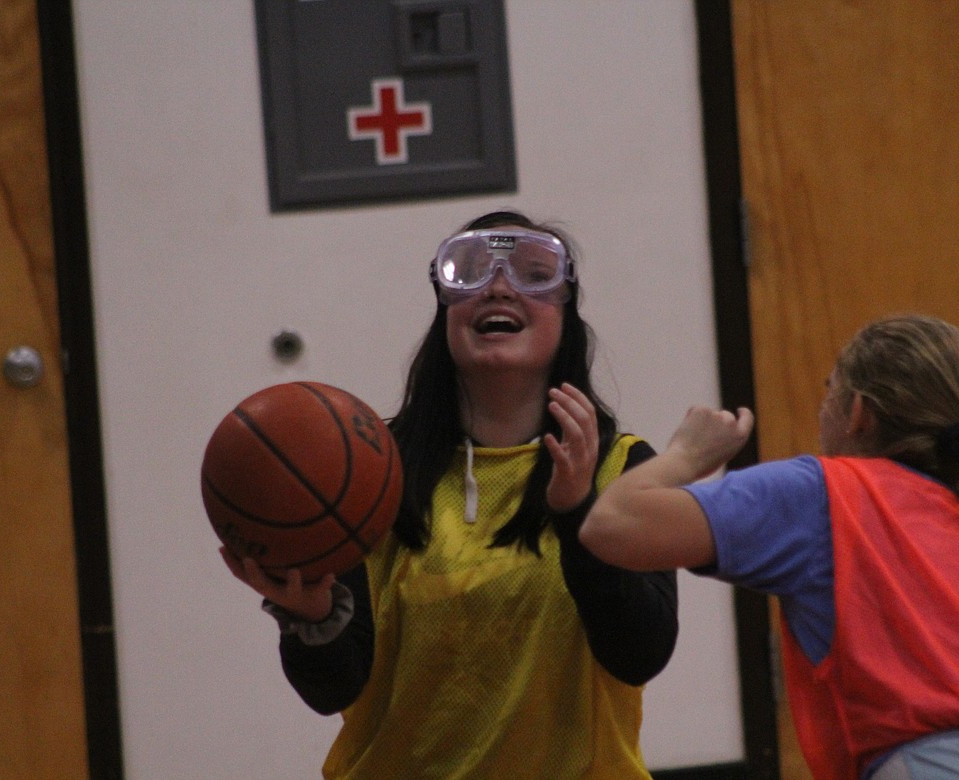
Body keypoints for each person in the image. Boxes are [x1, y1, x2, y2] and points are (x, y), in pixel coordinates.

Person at [222, 210, 678, 778]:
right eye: (472, 272)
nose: (501, 287)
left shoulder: (622, 467)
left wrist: (576, 512)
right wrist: (310, 617)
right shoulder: (369, 471)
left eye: (534, 272)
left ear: (567, 313)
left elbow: (641, 653)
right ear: (444, 310)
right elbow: (332, 689)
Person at [580, 314, 959, 780]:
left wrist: (685, 453)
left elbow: (612, 526)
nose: (823, 410)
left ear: (858, 412)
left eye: (828, 390)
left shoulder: (824, 493)